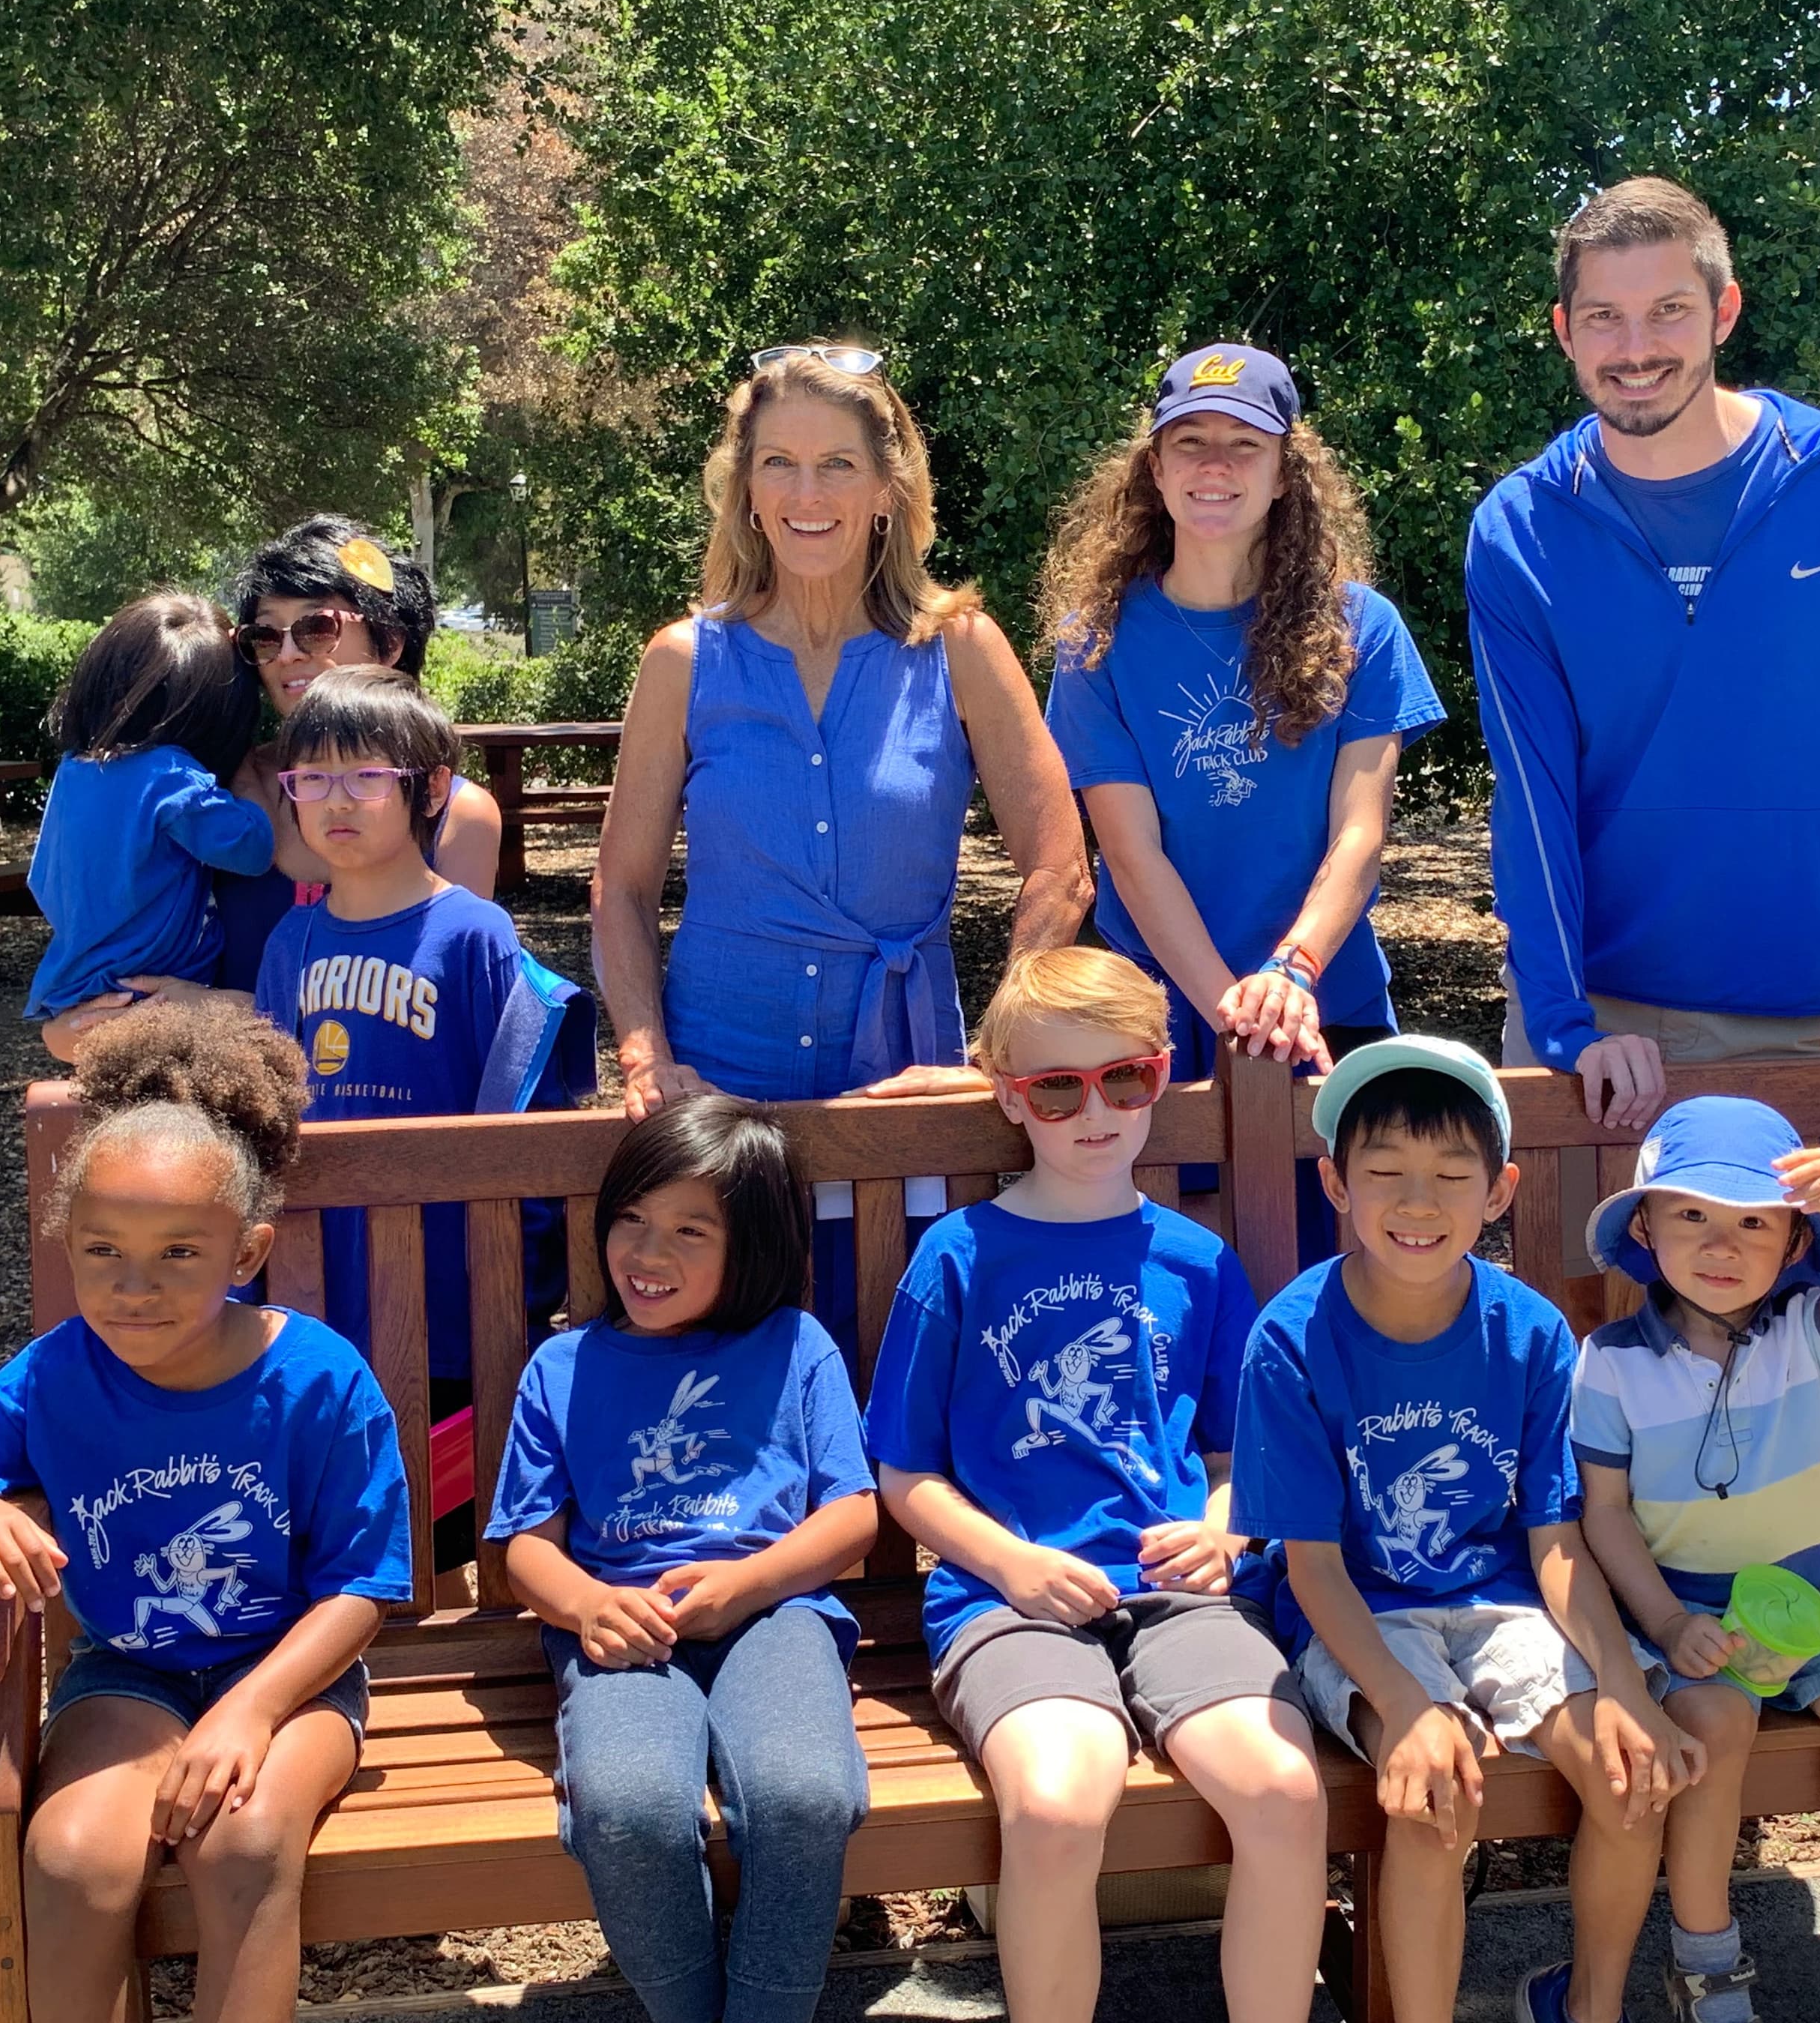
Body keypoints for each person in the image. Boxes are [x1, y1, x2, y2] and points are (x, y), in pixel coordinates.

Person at [0, 1010, 408, 2023]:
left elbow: (361, 1591)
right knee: (71, 1859)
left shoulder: (320, 1381)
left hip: (288, 1678)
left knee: (242, 1842)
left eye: (178, 1254)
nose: (133, 1287)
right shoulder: (46, 1382)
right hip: (126, 1674)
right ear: (64, 1239)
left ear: (246, 1253)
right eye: (103, 1248)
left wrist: (251, 1710)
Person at [863, 947, 1327, 2023]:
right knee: (1062, 1807)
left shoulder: (1196, 1262)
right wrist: (1011, 1562)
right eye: (1057, 1087)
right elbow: (907, 1473)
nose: (1096, 1111)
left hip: (1179, 1590)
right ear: (1008, 1097)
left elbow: (1236, 1453)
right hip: (1009, 1600)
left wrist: (1224, 1532)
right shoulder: (958, 1258)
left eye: (1127, 1079)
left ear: (1162, 1076)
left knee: (1283, 1790)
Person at [593, 343, 1089, 1346]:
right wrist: (646, 1052)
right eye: (777, 462)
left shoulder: (961, 647)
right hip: (724, 1100)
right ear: (742, 490)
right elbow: (621, 888)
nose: (805, 492)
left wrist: (998, 1050)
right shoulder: (684, 660)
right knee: (730, 1387)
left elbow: (1059, 862)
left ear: (888, 490)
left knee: (896, 1376)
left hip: (903, 1094)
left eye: (837, 464)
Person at [1465, 175, 1820, 1131]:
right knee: (1582, 1286)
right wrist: (1565, 1025)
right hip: (1594, 1033)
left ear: (1724, 312)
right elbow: (1531, 802)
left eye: (1667, 311)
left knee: (1789, 1288)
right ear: (1564, 331)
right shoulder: (1517, 528)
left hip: (1791, 1021)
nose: (1635, 349)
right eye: (1604, 318)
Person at [1229, 1037, 1699, 2023]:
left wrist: (1623, 1684)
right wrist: (1405, 1705)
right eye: (1386, 1174)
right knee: (1438, 1793)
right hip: (1362, 1615)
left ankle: (1590, 2006)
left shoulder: (1527, 1331)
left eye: (1452, 1176)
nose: (1417, 1204)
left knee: (1629, 1777)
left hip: (1506, 1603)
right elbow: (1310, 1567)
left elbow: (1556, 1541)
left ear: (1499, 1191)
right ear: (1336, 1184)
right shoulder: (1292, 1335)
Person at [491, 1096, 877, 2023]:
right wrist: (586, 1608)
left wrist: (749, 1584)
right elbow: (525, 1551)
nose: (647, 1255)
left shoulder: (795, 1346)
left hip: (775, 1615)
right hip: (623, 1630)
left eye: (688, 1230)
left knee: (805, 1795)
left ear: (752, 1243)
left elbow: (853, 1516)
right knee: (626, 1806)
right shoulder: (564, 1366)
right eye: (631, 1219)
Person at [1570, 1097, 1820, 2023]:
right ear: (1645, 1227)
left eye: (1752, 1224)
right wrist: (1663, 1624)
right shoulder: (1609, 1364)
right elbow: (1605, 1516)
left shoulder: (1806, 1335)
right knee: (1715, 1735)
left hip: (1814, 1608)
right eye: (1691, 1215)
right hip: (1688, 1620)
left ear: (1790, 1247)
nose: (1721, 1245)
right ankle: (1707, 1961)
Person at [248, 665, 592, 1589]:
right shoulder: (293, 945)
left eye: (365, 777)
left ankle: (441, 1617)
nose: (335, 801)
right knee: (332, 1467)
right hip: (328, 1268)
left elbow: (526, 1112)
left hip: (451, 1274)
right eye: (309, 779)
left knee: (447, 1485)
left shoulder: (474, 934)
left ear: (429, 788)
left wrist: (522, 1266)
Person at [1042, 342, 1444, 1079]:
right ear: (1156, 470)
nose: (1215, 466)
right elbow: (1131, 857)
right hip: (1150, 1019)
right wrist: (1240, 1014)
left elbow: (1359, 832)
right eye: (1190, 443)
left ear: (1287, 472)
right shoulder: (1095, 644)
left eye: (1245, 444)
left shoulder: (1365, 628)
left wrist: (1291, 974)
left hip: (1324, 1005)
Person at [35, 516, 504, 1064]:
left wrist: (226, 1010)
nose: (287, 654)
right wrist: (72, 1023)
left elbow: (440, 1015)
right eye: (265, 635)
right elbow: (80, 1008)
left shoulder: (453, 812)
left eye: (317, 628)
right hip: (223, 1108)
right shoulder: (212, 796)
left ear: (390, 642)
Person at [22, 594, 277, 1044]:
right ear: (214, 717)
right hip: (153, 992)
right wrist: (247, 779)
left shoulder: (74, 770)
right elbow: (253, 848)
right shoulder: (169, 775)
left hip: (78, 986)